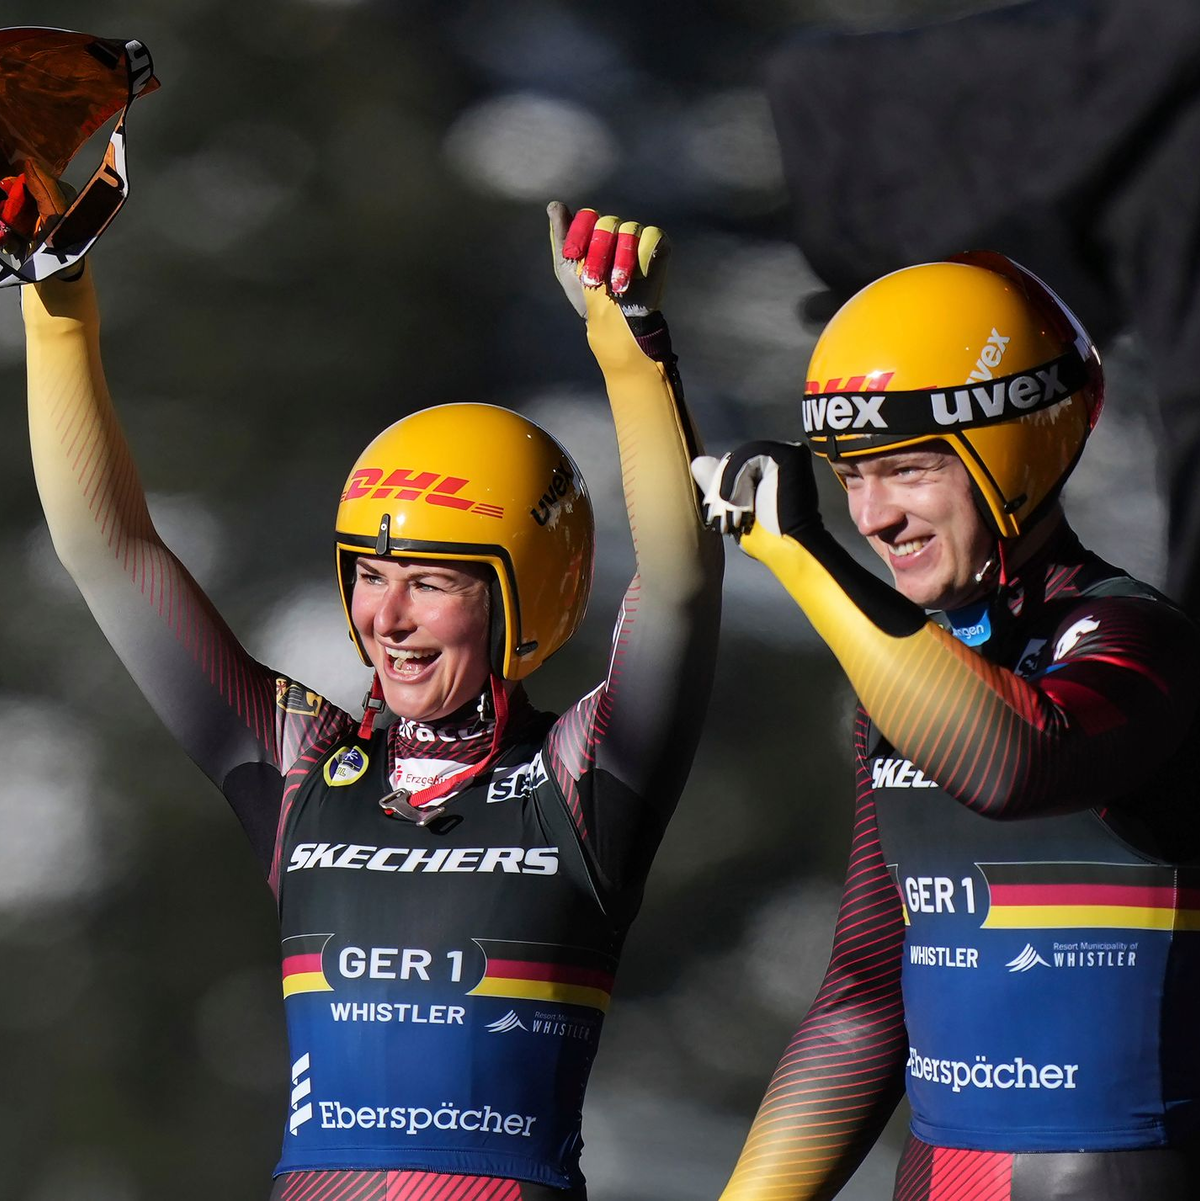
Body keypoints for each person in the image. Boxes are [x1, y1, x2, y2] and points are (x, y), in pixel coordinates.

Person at [23, 200, 722, 1198]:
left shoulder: (580, 782)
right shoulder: (306, 766)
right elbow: (110, 550)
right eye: (369, 574)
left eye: (431, 582)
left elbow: (681, 579)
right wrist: (55, 297)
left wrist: (631, 351)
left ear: (526, 598)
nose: (386, 616)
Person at [692, 253, 1200, 1201]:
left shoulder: (1143, 637)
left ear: (1009, 454)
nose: (872, 516)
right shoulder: (907, 679)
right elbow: (863, 999)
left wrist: (807, 561)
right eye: (850, 476)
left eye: (907, 468)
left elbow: (1019, 762)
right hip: (939, 1175)